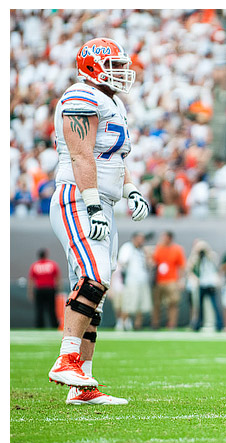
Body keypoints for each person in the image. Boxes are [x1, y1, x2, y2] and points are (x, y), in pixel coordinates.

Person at [47, 37, 149, 405]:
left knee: (96, 293)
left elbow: (114, 160)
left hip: (101, 200)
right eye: (115, 66)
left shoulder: (112, 101)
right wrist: (91, 206)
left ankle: (83, 384)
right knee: (95, 277)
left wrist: (131, 190)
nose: (123, 73)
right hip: (78, 197)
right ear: (92, 65)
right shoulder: (80, 95)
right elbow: (81, 156)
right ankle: (67, 358)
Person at [151, 230, 186, 330]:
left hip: (172, 281)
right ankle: (155, 323)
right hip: (159, 281)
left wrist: (181, 280)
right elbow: (153, 261)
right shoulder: (159, 248)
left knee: (173, 304)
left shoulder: (177, 249)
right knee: (157, 304)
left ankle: (172, 324)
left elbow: (182, 266)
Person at [117, 232, 152, 330]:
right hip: (132, 280)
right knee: (128, 303)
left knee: (141, 305)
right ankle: (122, 323)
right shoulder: (128, 247)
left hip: (142, 280)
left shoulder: (142, 250)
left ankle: (138, 325)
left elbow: (149, 264)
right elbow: (122, 262)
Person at [187, 239, 224, 331]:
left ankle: (219, 324)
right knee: (199, 306)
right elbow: (190, 268)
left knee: (215, 304)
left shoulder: (211, 256)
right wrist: (196, 255)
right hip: (201, 284)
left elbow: (215, 264)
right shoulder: (195, 258)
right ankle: (198, 323)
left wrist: (206, 252)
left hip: (211, 284)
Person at [27, 248, 60, 329]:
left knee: (39, 309)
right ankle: (54, 325)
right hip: (50, 289)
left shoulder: (35, 265)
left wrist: (30, 292)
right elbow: (57, 278)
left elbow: (31, 280)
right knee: (51, 309)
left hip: (39, 289)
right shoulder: (52, 264)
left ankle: (39, 326)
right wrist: (58, 290)